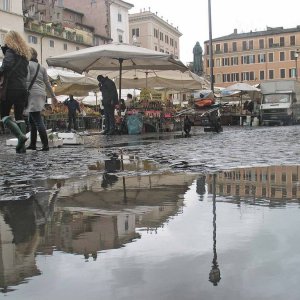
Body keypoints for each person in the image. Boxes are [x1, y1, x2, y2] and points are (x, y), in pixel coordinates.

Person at [0, 30, 31, 153]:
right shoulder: (24, 55)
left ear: (9, 40)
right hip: (23, 88)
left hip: (11, 88)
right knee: (19, 116)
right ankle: (21, 146)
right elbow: (25, 72)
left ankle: (20, 136)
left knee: (4, 116)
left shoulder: (10, 51)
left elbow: (6, 66)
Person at [25, 47, 58, 151]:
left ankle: (45, 145)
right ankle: (33, 144)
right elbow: (47, 83)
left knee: (37, 119)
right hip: (41, 93)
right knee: (32, 119)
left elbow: (26, 80)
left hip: (32, 93)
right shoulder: (42, 68)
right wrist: (53, 96)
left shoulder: (28, 65)